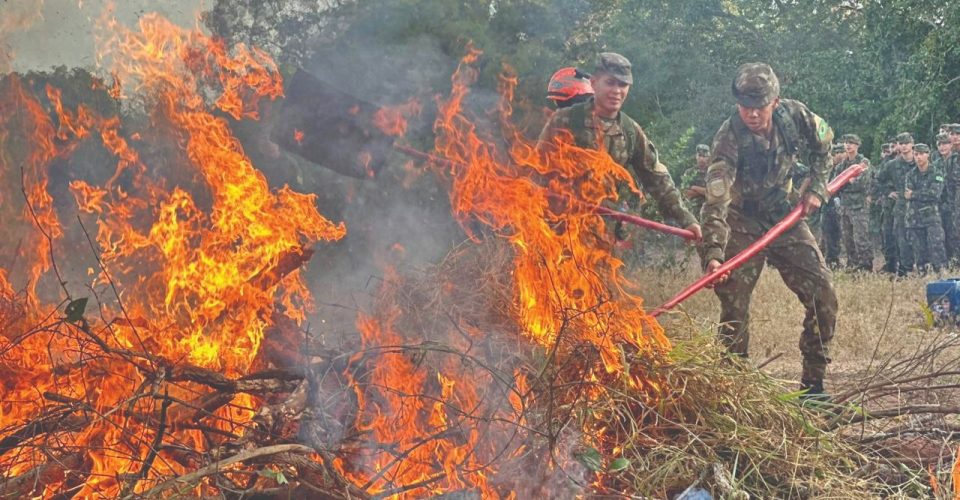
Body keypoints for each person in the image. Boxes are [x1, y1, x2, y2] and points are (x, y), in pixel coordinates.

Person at [699, 62, 838, 397]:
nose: (752, 114)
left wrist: (817, 187)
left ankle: (813, 388)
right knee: (734, 306)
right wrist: (714, 253)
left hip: (783, 215)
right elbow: (715, 199)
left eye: (759, 107)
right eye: (745, 107)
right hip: (740, 221)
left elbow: (825, 145)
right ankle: (733, 392)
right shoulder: (727, 138)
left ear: (775, 102)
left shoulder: (796, 116)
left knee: (823, 294)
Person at [538, 52, 702, 249]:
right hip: (557, 231)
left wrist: (687, 219)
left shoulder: (630, 131)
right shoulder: (564, 120)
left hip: (602, 238)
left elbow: (657, 179)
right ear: (594, 82)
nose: (617, 91)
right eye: (610, 83)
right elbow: (537, 171)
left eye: (623, 85)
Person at [905, 143, 947, 273]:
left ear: (928, 154)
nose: (918, 157)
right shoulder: (911, 174)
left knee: (936, 245)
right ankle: (923, 272)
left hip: (931, 217)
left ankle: (941, 271)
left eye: (921, 154)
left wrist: (915, 194)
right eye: (916, 154)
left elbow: (934, 194)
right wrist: (919, 194)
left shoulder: (936, 172)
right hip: (915, 218)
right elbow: (907, 194)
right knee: (919, 249)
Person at [836, 134, 873, 271]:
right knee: (847, 239)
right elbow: (836, 185)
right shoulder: (842, 165)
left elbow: (862, 183)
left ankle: (865, 266)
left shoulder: (863, 162)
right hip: (845, 207)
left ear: (857, 145)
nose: (848, 145)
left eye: (851, 142)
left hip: (859, 207)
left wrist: (847, 183)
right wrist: (848, 182)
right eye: (846, 142)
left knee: (861, 238)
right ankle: (852, 264)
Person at [821, 145, 845, 267]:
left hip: (843, 204)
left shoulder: (843, 168)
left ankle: (836, 258)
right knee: (828, 233)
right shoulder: (827, 167)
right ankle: (831, 259)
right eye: (836, 153)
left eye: (841, 152)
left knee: (841, 234)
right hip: (828, 205)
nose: (838, 156)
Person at [681, 144, 711, 218]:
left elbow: (712, 193)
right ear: (696, 156)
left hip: (708, 211)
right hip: (692, 211)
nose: (701, 159)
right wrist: (703, 192)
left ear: (709, 157)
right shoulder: (689, 172)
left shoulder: (712, 172)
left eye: (704, 156)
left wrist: (694, 188)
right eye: (699, 156)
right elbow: (685, 193)